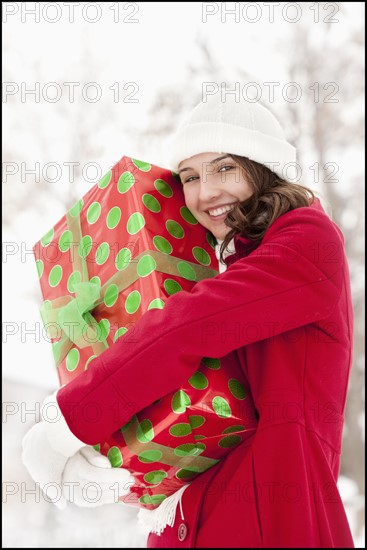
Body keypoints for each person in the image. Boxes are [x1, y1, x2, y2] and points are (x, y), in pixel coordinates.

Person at [22, 92, 355, 548]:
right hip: (204, 517)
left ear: (264, 168)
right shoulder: (226, 264)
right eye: (189, 177)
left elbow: (189, 327)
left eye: (224, 168)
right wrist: (102, 452)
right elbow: (190, 403)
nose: (204, 193)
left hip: (273, 521)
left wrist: (68, 422)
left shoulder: (305, 242)